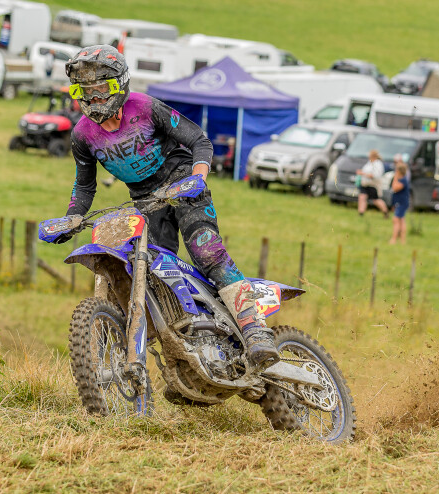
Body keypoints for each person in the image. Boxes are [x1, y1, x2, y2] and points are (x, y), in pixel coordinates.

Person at [56, 44, 280, 369]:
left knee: (206, 251)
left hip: (183, 183)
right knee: (155, 274)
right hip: (146, 201)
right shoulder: (82, 135)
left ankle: (255, 330)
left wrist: (197, 177)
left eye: (101, 88)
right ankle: (185, 358)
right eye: (85, 91)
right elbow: (85, 186)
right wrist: (72, 218)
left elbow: (199, 140)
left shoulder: (145, 107)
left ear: (119, 84)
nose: (94, 97)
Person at [356, 149, 388, 218]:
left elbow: (376, 175)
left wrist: (363, 173)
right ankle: (361, 213)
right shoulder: (369, 163)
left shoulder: (378, 164)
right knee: (362, 197)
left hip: (373, 185)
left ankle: (385, 212)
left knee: (376, 200)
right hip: (365, 184)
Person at [389, 156, 410, 245]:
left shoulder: (403, 180)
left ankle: (393, 239)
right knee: (401, 220)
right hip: (399, 202)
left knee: (396, 220)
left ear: (399, 171)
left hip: (402, 203)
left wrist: (395, 177)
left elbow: (394, 188)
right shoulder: (402, 180)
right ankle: (402, 240)